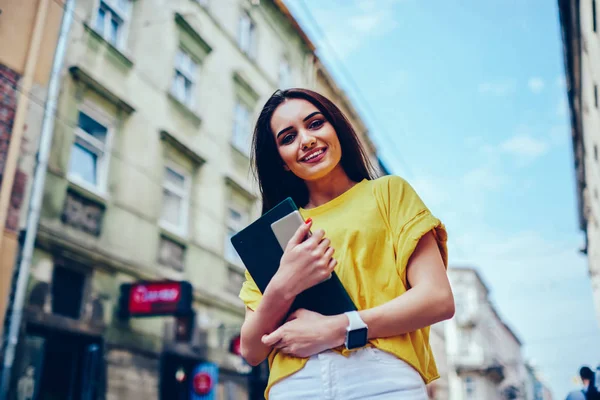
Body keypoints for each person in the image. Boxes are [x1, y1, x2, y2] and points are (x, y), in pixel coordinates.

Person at [238, 88, 455, 400]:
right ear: (282, 162)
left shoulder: (388, 193)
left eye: (315, 124)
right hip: (296, 386)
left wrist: (335, 329)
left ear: (336, 129)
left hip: (382, 379)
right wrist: (284, 282)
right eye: (288, 138)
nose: (306, 140)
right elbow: (252, 349)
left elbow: (437, 299)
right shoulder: (275, 232)